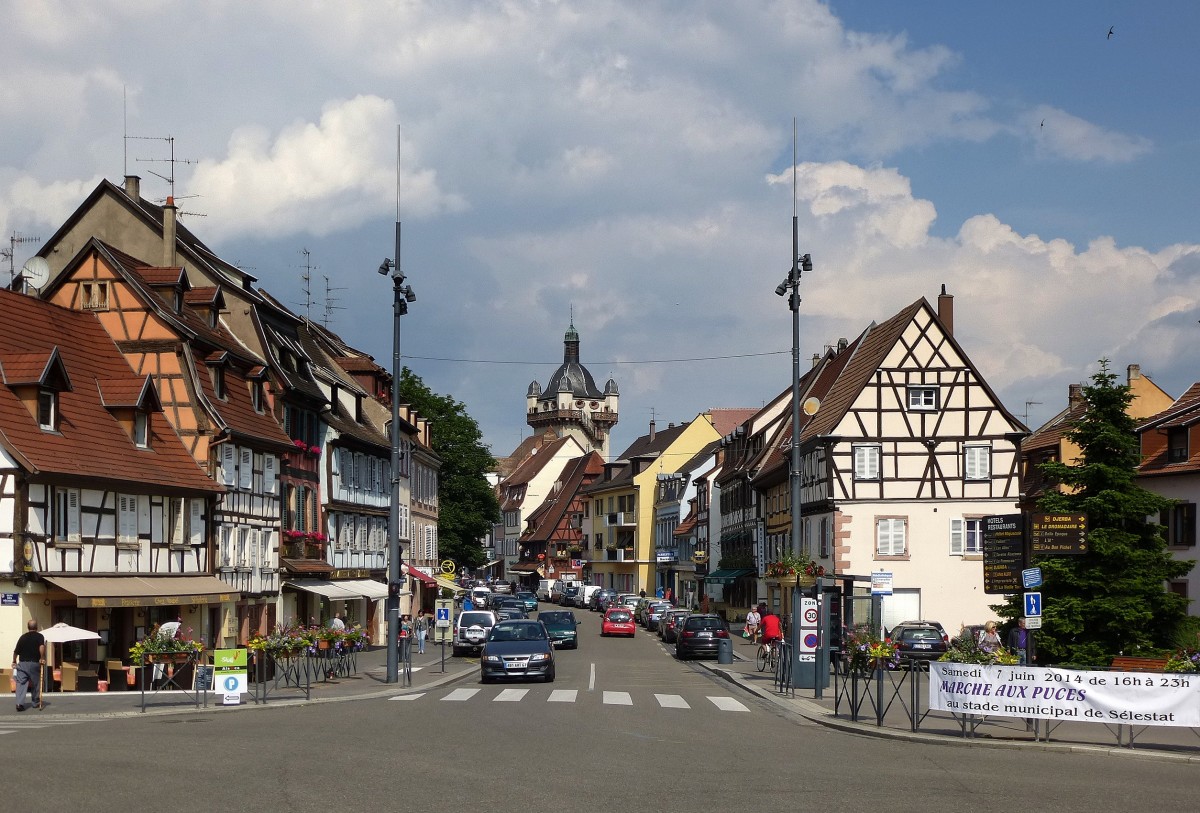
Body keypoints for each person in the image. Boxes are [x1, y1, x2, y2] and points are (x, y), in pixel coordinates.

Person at [11, 618, 45, 712]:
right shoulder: (40, 636)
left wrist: (14, 661)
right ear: (36, 627)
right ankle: (35, 702)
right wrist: (42, 658)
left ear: (28, 627)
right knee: (36, 683)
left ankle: (19, 703)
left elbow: (16, 651)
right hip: (34, 663)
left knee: (21, 683)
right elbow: (41, 647)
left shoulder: (23, 637)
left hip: (22, 664)